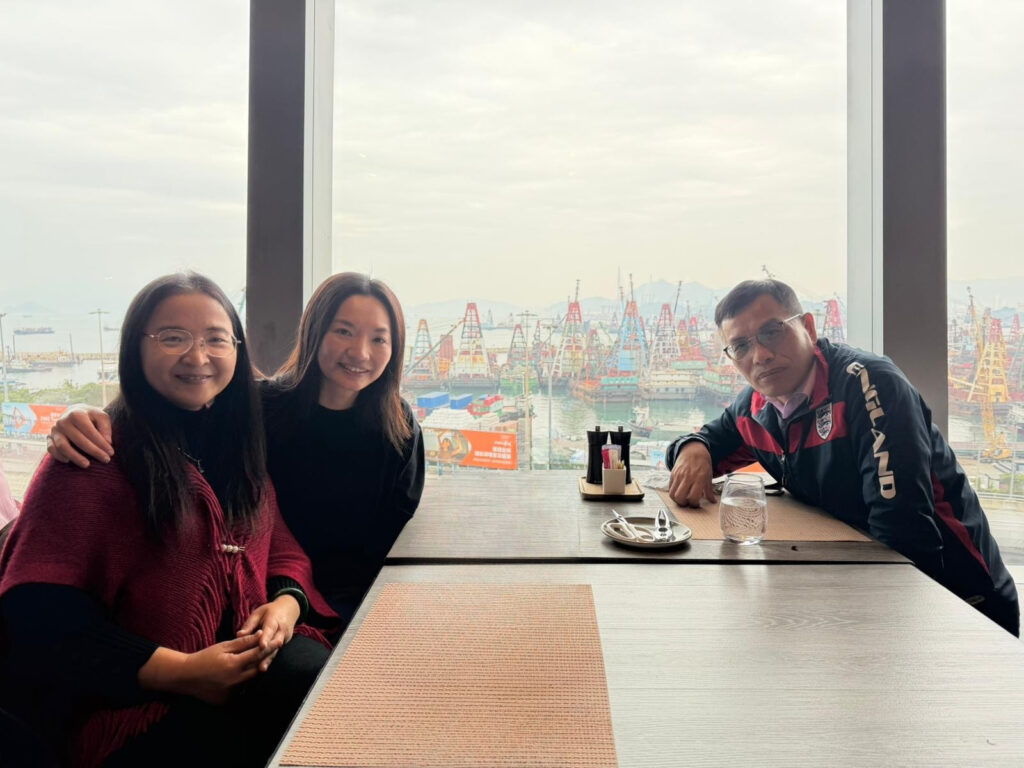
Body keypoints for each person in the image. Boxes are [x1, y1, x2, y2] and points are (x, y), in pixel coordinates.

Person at [0, 273, 337, 767]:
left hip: (246, 660)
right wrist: (183, 671)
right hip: (136, 699)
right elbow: (38, 615)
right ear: (135, 347)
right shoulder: (94, 455)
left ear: (237, 350)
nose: (198, 357)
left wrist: (285, 606)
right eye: (173, 338)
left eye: (216, 339)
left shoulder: (236, 444)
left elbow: (279, 546)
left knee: (325, 693)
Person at [46, 272, 424, 628]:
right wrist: (80, 414)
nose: (360, 352)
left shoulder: (400, 429)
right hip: (256, 593)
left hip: (356, 602)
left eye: (379, 339)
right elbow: (170, 421)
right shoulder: (256, 407)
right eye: (343, 331)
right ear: (315, 332)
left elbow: (395, 535)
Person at [667, 278, 1019, 636]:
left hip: (959, 601)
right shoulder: (755, 409)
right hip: (857, 579)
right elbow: (709, 440)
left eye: (772, 332)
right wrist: (693, 448)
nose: (760, 355)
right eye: (740, 346)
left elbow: (903, 530)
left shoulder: (869, 386)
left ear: (808, 327)